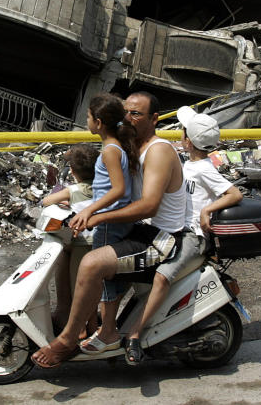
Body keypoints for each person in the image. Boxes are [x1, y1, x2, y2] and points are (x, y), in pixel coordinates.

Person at [31, 90, 189, 369]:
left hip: (160, 238)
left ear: (154, 119)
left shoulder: (159, 151)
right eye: (126, 111)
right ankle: (99, 328)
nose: (128, 118)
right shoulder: (128, 146)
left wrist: (97, 216)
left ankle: (69, 339)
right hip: (139, 230)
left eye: (136, 113)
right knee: (83, 252)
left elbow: (149, 206)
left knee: (92, 264)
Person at [118, 105, 243, 362]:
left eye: (183, 132)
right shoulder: (185, 164)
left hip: (192, 237)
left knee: (162, 278)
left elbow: (234, 194)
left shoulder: (205, 169)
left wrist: (207, 209)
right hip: (170, 230)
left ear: (187, 140)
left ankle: (135, 335)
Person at [67, 93, 139, 351]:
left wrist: (90, 212)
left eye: (87, 116)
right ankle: (107, 327)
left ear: (98, 122)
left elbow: (118, 190)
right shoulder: (115, 147)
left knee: (104, 277)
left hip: (109, 223)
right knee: (111, 276)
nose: (86, 120)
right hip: (112, 221)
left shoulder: (110, 151)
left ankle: (107, 332)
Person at [40, 143, 100, 335]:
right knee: (68, 266)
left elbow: (45, 201)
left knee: (78, 287)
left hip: (82, 244)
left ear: (72, 171)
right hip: (95, 241)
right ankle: (65, 314)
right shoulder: (103, 187)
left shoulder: (74, 190)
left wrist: (64, 201)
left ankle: (80, 328)